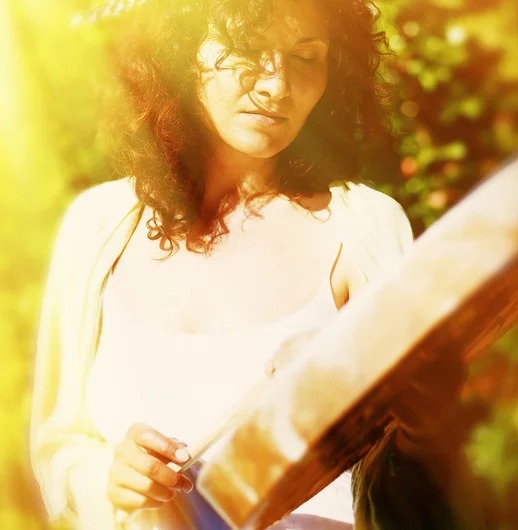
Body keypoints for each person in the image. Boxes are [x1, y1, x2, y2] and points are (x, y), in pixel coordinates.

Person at [30, 0, 481, 528]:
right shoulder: (99, 224)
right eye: (247, 48)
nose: (276, 86)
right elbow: (59, 446)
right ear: (178, 50)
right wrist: (110, 478)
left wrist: (424, 420)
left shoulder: (364, 228)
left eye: (305, 57)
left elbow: (416, 468)